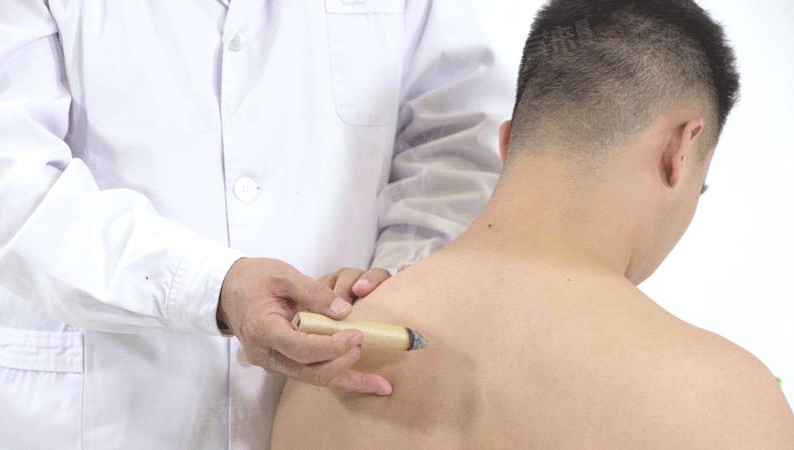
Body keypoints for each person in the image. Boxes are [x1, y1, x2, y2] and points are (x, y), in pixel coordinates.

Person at [271, 1, 794, 448]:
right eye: (700, 186)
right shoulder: (726, 404)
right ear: (679, 149)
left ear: (508, 142)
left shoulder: (322, 364)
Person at [0, 1, 513, 448]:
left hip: (329, 403)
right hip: (110, 408)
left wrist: (393, 279)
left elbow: (457, 141)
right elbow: (10, 182)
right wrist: (212, 286)